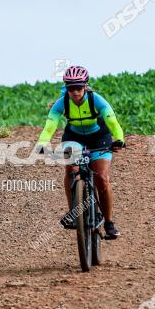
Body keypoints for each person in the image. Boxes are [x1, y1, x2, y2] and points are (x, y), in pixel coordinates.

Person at [36, 65, 125, 239]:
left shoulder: (96, 100)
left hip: (99, 137)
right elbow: (50, 126)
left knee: (101, 178)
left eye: (78, 87)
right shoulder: (61, 103)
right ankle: (73, 214)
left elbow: (113, 122)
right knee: (70, 170)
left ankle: (109, 223)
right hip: (74, 137)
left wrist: (119, 139)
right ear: (66, 88)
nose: (75, 92)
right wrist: (42, 143)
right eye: (70, 88)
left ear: (85, 86)